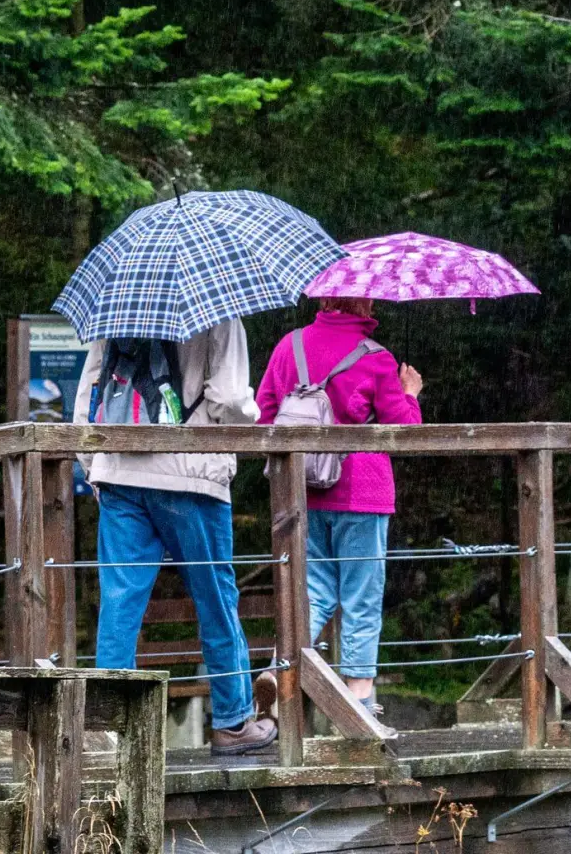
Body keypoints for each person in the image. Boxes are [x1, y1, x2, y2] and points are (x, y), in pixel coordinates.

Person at [72, 319, 277, 755]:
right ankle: (233, 722)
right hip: (190, 473)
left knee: (120, 602)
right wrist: (255, 415)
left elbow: (90, 392)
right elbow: (229, 400)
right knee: (215, 599)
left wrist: (94, 465)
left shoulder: (120, 307)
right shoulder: (220, 312)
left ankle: (108, 728)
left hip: (120, 469)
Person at [255, 297, 423, 721]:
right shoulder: (376, 357)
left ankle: (279, 671)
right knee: (361, 595)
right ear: (364, 302)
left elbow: (264, 418)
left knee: (312, 590)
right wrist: (410, 394)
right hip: (362, 489)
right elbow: (403, 430)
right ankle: (359, 697)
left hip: (301, 491)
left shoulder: (288, 346)